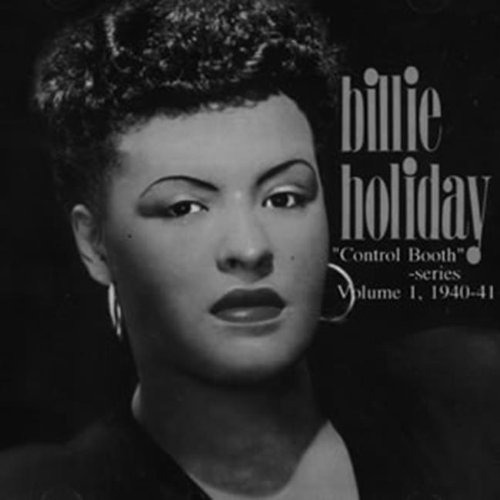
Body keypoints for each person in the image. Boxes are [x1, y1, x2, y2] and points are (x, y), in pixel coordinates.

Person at [1, 0, 499, 499]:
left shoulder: (472, 394)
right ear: (95, 246)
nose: (250, 248)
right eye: (184, 207)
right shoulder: (42, 489)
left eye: (284, 197)